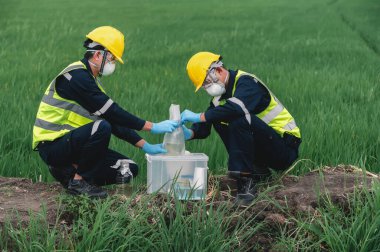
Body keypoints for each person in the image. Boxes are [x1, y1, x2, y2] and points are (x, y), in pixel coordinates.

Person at [32, 26, 178, 198]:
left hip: (74, 146)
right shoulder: (76, 76)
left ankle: (69, 173)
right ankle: (79, 182)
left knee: (129, 169)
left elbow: (116, 122)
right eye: (112, 58)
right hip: (53, 146)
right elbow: (113, 113)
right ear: (98, 54)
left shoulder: (92, 82)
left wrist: (146, 146)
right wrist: (152, 126)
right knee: (102, 126)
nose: (113, 63)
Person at [181, 52, 301, 205]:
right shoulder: (220, 99)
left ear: (217, 70)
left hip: (285, 147)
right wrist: (189, 133)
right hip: (266, 147)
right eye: (204, 86)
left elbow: (237, 108)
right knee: (219, 117)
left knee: (237, 117)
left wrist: (199, 116)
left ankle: (245, 185)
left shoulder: (247, 82)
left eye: (207, 82)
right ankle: (258, 170)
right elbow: (205, 126)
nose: (207, 88)